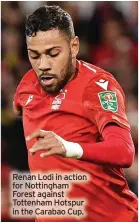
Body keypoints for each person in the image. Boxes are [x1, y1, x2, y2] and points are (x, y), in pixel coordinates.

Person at [13, 5, 138, 222]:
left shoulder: (97, 86)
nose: (43, 65)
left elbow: (124, 151)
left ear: (74, 46)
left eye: (53, 53)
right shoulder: (25, 87)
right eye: (35, 55)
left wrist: (69, 148)